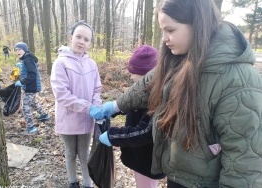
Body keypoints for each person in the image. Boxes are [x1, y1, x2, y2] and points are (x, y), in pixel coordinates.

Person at [90, 0, 262, 187]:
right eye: (163, 30)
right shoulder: (179, 57)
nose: (164, 38)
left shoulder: (237, 79)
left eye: (170, 30)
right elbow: (148, 84)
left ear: (198, 24)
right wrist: (116, 105)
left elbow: (244, 157)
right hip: (177, 175)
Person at [97, 45, 165, 188]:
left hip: (147, 162)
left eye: (133, 73)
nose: (130, 76)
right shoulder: (144, 92)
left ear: (146, 76)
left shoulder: (157, 99)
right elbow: (131, 105)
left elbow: (144, 132)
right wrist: (113, 110)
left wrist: (112, 136)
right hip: (139, 158)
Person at [50, 21, 101, 188]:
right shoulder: (61, 62)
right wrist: (88, 107)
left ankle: (88, 184)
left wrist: (97, 105)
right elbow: (62, 94)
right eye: (78, 37)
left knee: (85, 153)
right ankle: (73, 182)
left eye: (86, 39)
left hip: (87, 119)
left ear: (90, 44)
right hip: (68, 118)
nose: (81, 41)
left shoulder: (92, 64)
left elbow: (96, 89)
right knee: (71, 153)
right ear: (70, 38)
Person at [14, 42, 50, 134]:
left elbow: (32, 74)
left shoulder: (27, 59)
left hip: (31, 87)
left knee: (25, 107)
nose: (18, 51)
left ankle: (31, 128)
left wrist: (21, 82)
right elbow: (30, 70)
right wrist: (21, 66)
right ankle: (44, 115)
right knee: (33, 102)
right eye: (16, 50)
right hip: (32, 86)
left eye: (19, 49)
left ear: (24, 50)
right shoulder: (26, 58)